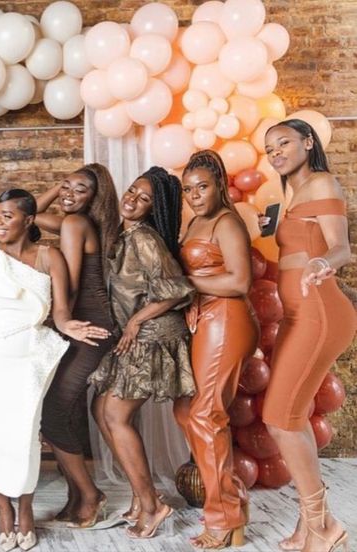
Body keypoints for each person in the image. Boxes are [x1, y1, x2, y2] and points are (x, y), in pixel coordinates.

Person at [0, 189, 111, 551]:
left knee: (24, 435)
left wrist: (71, 326)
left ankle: (25, 512)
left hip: (28, 355)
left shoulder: (51, 256)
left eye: (7, 215)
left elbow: (60, 312)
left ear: (29, 220)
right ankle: (3, 514)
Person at [261, 119, 355, 552]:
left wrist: (324, 264)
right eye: (269, 148)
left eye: (284, 142)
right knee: (288, 418)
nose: (276, 152)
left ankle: (324, 525)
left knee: (280, 419)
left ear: (308, 142)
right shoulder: (293, 193)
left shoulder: (321, 182)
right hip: (297, 315)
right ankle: (311, 523)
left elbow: (341, 247)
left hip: (319, 311)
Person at [89, 166, 196, 540]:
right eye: (132, 190)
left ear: (154, 208)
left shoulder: (146, 239)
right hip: (134, 333)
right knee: (101, 410)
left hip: (152, 333)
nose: (133, 199)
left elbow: (177, 290)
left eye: (144, 197)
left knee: (115, 415)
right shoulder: (126, 233)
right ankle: (141, 494)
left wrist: (136, 322)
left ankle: (153, 506)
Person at [174, 150, 259, 549]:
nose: (194, 195)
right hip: (203, 319)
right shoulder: (195, 222)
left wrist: (185, 282)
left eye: (202, 186)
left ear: (220, 185)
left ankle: (224, 519)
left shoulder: (227, 222)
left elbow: (240, 282)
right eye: (188, 188)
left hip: (225, 318)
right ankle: (234, 497)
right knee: (186, 409)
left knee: (207, 414)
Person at [32, 164, 118, 527]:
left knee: (52, 413)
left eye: (80, 190)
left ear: (94, 198)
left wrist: (61, 323)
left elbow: (69, 283)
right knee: (60, 412)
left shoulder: (73, 224)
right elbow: (28, 214)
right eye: (67, 186)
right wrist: (61, 188)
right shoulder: (76, 221)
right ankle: (76, 495)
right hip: (89, 324)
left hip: (89, 326)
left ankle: (90, 493)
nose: (69, 193)